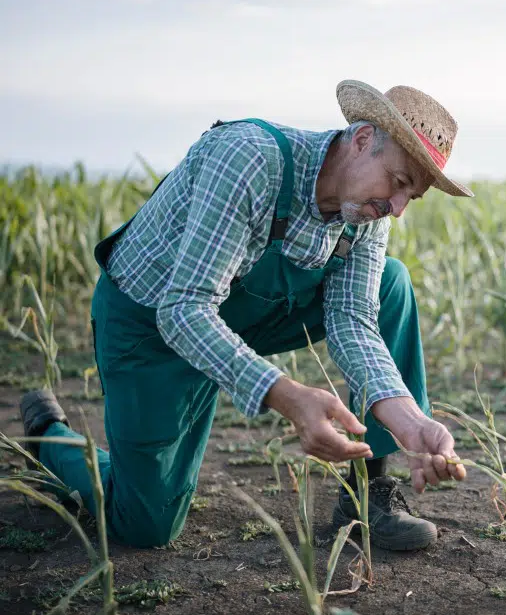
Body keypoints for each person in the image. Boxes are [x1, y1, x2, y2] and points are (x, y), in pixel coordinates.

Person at [20, 80, 472, 551]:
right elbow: (184, 310)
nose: (396, 210)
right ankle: (48, 440)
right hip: (154, 322)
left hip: (241, 317)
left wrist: (411, 423)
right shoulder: (249, 159)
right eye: (398, 184)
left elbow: (354, 319)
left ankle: (368, 493)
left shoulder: (369, 214)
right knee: (143, 524)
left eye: (410, 198)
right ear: (361, 141)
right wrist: (286, 394)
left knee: (388, 285)